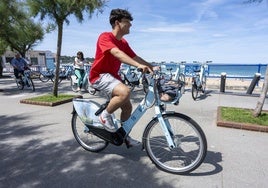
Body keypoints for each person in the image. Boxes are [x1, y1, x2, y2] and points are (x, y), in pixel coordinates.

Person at [89, 8, 154, 147]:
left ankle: (125, 136)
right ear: (117, 23)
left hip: (113, 77)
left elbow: (135, 56)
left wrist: (150, 66)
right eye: (127, 22)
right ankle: (104, 115)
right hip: (99, 76)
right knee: (125, 92)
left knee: (127, 108)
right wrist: (137, 65)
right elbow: (116, 53)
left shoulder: (123, 42)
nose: (130, 25)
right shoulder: (105, 37)